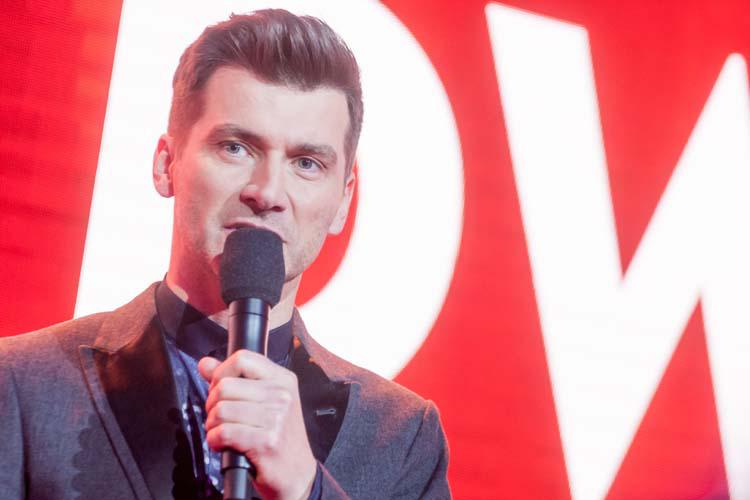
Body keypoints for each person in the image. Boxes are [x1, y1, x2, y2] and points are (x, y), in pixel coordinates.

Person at [0, 8, 450, 500]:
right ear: (166, 163)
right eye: (236, 148)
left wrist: (307, 488)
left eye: (306, 163)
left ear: (343, 201)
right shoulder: (22, 384)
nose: (267, 191)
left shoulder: (400, 437)